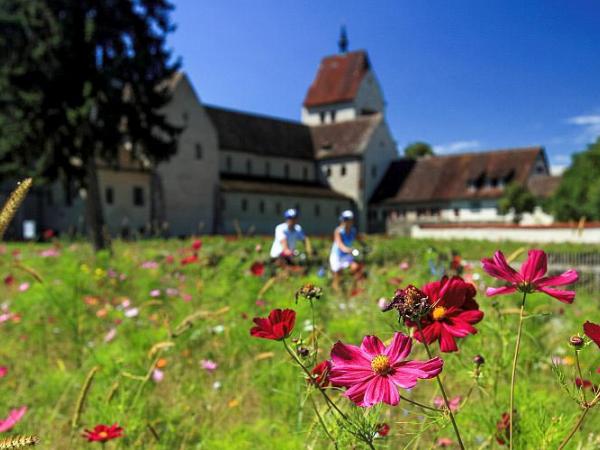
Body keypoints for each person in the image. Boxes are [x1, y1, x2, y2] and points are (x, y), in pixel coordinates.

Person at [329, 210, 362, 290]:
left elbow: (358, 239)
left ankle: (355, 289)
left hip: (346, 255)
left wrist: (364, 246)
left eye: (349, 220)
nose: (347, 222)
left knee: (356, 268)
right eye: (345, 220)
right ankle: (337, 292)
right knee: (337, 274)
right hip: (337, 255)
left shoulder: (353, 231)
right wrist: (350, 250)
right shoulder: (338, 231)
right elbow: (340, 245)